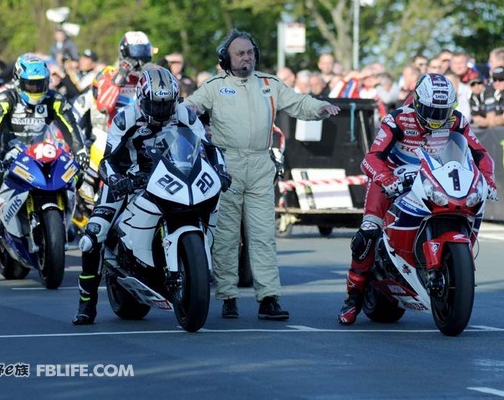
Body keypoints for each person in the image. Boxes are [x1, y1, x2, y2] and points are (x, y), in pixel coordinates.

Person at [184, 29, 340, 320]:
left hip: (260, 164)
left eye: (250, 52)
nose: (247, 57)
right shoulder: (214, 86)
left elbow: (298, 102)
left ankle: (268, 298)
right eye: (240, 53)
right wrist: (186, 109)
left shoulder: (269, 84)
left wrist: (320, 107)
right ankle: (228, 295)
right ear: (226, 59)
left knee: (263, 236)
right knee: (227, 236)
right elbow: (191, 105)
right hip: (225, 164)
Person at [72, 66, 231, 324]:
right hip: (130, 177)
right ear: (141, 99)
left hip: (172, 174)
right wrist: (117, 180)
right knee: (94, 234)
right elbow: (107, 160)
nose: (162, 111)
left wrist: (221, 172)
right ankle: (86, 304)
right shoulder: (125, 119)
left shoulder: (185, 115)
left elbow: (210, 149)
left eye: (167, 104)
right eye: (155, 105)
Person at [337, 73, 496, 325]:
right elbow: (371, 158)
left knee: (466, 204)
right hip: (393, 178)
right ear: (418, 103)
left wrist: (488, 180)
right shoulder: (398, 119)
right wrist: (388, 179)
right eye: (430, 111)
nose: (436, 119)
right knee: (367, 233)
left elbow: (481, 155)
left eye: (442, 112)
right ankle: (353, 298)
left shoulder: (457, 121)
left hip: (433, 179)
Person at [0, 54, 88, 285]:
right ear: (19, 81)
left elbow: (71, 127)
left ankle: (65, 227)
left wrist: (80, 151)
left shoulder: (54, 100)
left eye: (40, 83)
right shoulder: (5, 99)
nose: (35, 88)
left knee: (77, 176)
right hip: (7, 156)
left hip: (41, 152)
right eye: (30, 83)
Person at [95, 31, 154, 127]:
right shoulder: (109, 75)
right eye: (137, 52)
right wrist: (121, 76)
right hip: (118, 135)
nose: (140, 60)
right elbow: (104, 108)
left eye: (144, 51)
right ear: (124, 52)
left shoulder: (150, 79)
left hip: (146, 135)